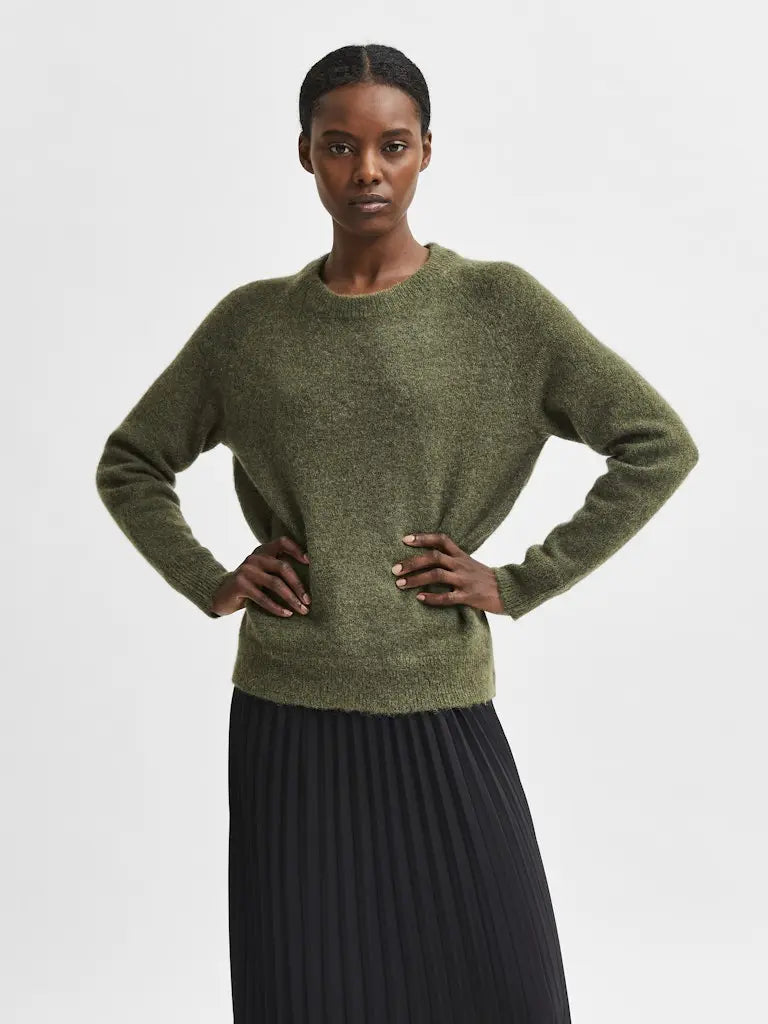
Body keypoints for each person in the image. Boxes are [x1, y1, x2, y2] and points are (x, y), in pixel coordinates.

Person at [95, 42, 698, 1024]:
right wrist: (210, 578)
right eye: (340, 146)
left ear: (426, 152)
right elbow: (131, 462)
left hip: (437, 696)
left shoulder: (498, 307)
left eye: (392, 145)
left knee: (509, 992)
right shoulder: (250, 327)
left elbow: (655, 444)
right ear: (305, 153)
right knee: (307, 993)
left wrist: (522, 580)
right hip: (288, 710)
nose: (366, 171)